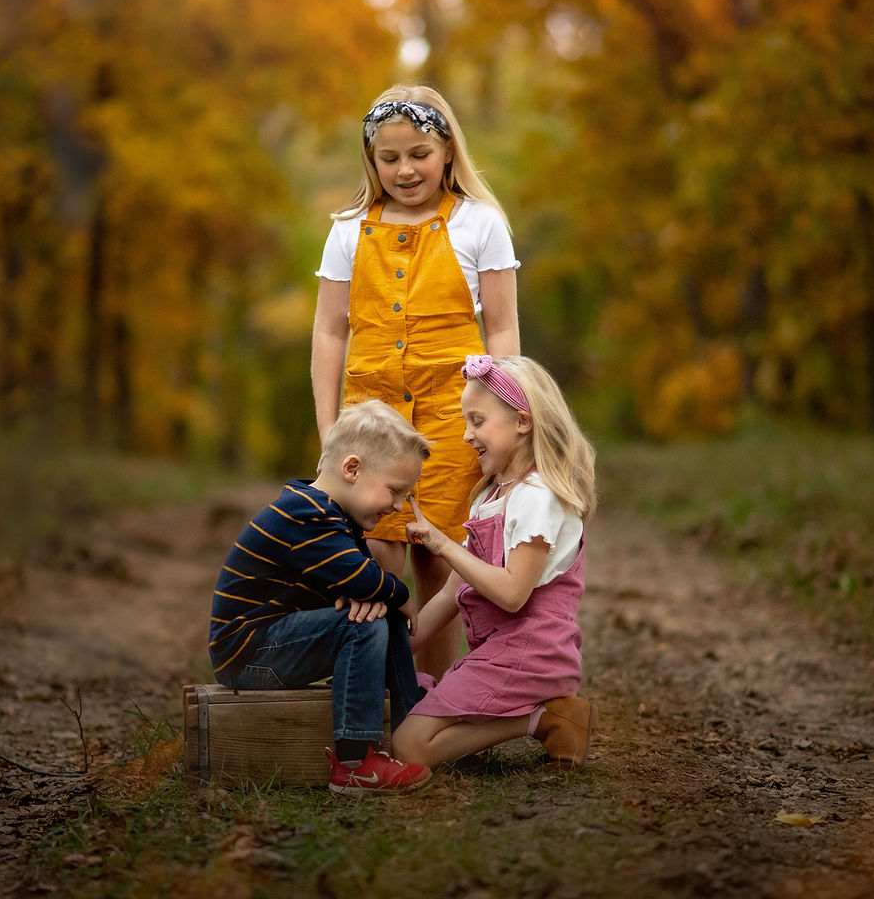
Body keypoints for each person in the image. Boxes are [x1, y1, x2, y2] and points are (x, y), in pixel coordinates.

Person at [311, 84, 520, 679]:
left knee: (443, 553)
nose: (406, 170)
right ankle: (377, 688)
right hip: (370, 417)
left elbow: (502, 330)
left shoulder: (480, 223)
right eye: (390, 157)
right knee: (375, 549)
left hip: (456, 412)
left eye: (420, 154)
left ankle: (428, 694)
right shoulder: (350, 229)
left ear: (448, 151)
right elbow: (329, 332)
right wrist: (331, 429)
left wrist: (505, 419)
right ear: (372, 161)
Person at [208, 399, 434, 795]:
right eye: (396, 491)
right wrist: (399, 594)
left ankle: (410, 723)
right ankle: (355, 762)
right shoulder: (305, 512)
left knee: (378, 615)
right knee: (364, 626)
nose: (399, 507)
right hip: (248, 652)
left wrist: (377, 594)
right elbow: (363, 579)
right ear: (352, 469)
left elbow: (362, 584)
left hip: (278, 641)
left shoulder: (334, 516)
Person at [391, 354, 599, 772]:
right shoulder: (492, 497)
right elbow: (452, 593)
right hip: (501, 653)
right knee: (400, 720)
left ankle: (546, 717)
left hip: (532, 653)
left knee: (409, 748)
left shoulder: (538, 496)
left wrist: (444, 545)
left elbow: (511, 594)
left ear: (523, 422)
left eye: (478, 421)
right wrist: (392, 648)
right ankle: (544, 715)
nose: (467, 435)